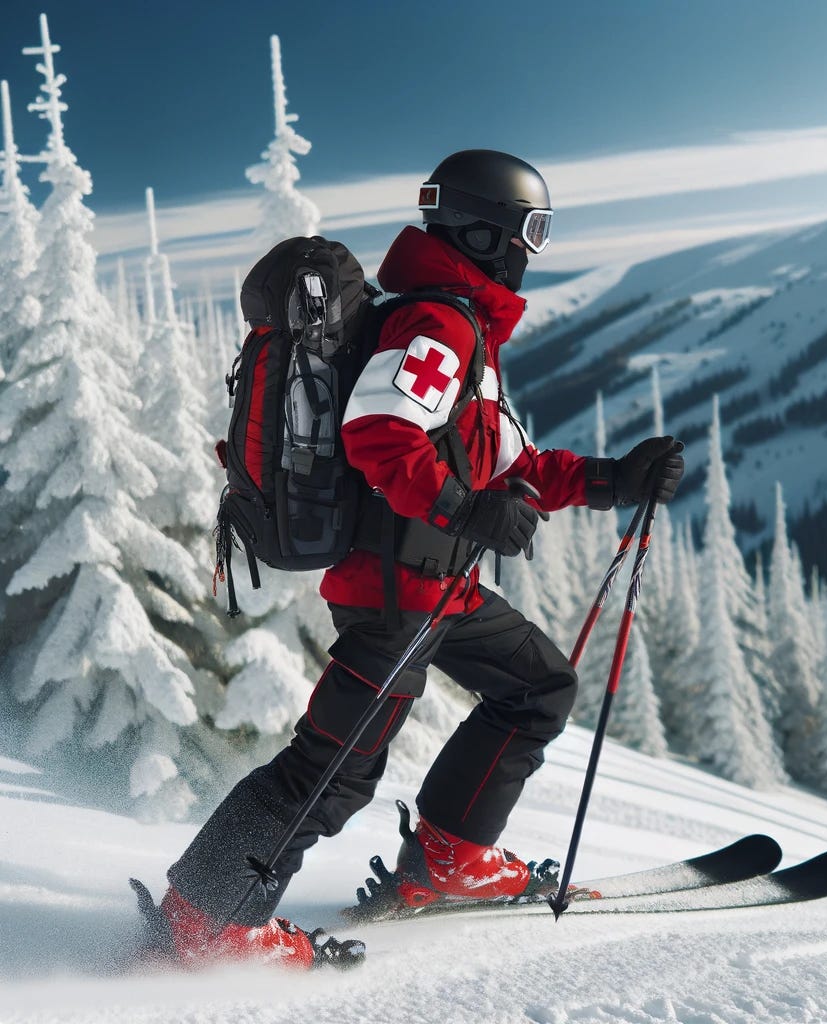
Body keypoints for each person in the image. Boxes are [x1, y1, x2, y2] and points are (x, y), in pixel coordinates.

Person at [156, 149, 684, 969]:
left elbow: (511, 463)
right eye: (529, 232)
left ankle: (451, 858)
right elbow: (379, 434)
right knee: (330, 772)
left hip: (441, 590)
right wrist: (462, 507)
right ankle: (207, 918)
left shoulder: (463, 330)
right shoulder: (436, 324)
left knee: (539, 687)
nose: (530, 252)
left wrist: (616, 480)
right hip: (394, 593)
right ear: (488, 231)